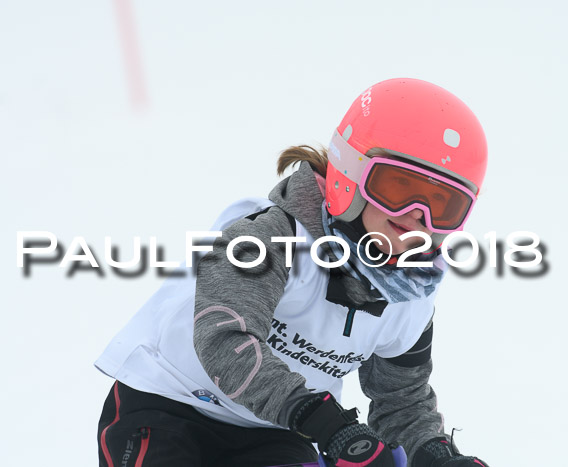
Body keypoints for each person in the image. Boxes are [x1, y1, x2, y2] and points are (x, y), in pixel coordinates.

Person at [96, 78, 490, 467]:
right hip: (168, 406)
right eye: (398, 187)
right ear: (350, 173)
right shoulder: (273, 239)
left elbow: (401, 400)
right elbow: (223, 338)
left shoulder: (409, 296)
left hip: (275, 431)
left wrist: (435, 454)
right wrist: (328, 423)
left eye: (443, 205)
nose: (416, 216)